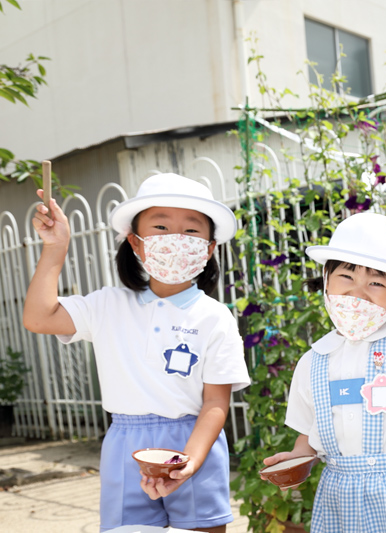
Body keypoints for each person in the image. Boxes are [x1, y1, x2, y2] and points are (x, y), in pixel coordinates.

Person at [23, 173, 251, 533]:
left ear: (209, 248)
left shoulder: (215, 317)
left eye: (191, 231)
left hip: (194, 445)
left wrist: (189, 461)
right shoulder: (107, 305)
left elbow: (215, 404)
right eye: (160, 226)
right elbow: (39, 317)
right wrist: (55, 248)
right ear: (136, 242)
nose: (175, 239)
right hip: (125, 447)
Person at [260, 193, 386, 532]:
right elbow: (308, 439)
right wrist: (298, 462)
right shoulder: (312, 362)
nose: (358, 293)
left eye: (376, 282)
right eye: (346, 278)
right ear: (325, 281)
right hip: (342, 499)